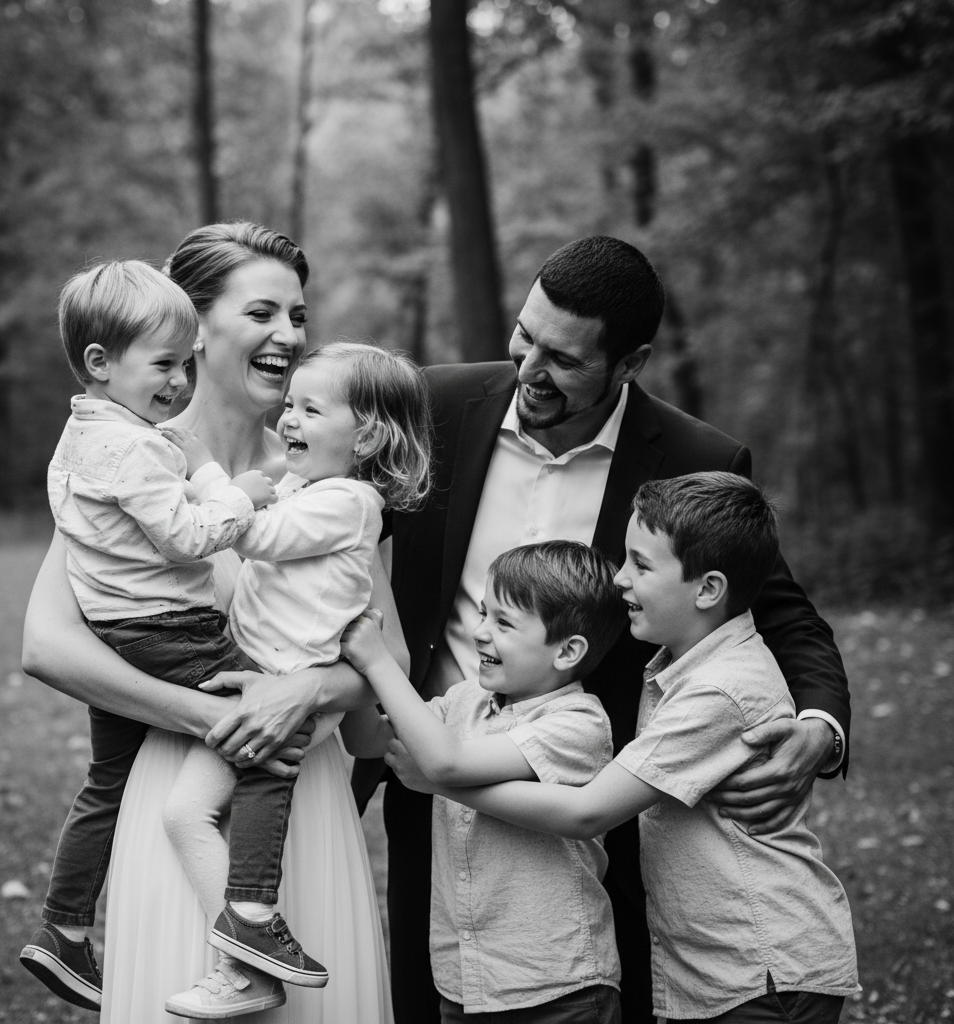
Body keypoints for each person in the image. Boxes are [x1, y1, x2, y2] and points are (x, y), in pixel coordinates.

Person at [351, 236, 852, 1024]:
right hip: (432, 774)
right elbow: (327, 523)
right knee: (433, 996)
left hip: (596, 785)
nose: (528, 368)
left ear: (629, 363)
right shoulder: (435, 405)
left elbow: (782, 612)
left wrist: (821, 727)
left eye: (562, 359)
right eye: (525, 336)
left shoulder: (693, 456)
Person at [22, 222, 397, 1024]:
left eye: (298, 316)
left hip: (302, 798)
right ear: (192, 326)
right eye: (262, 313)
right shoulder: (126, 465)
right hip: (177, 794)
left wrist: (305, 691)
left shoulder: (324, 477)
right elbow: (47, 645)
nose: (288, 335)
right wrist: (217, 717)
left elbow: (378, 684)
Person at [402, 473, 860, 1024]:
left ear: (707, 590)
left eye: (640, 565)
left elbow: (587, 811)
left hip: (764, 966)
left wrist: (445, 779)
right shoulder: (678, 665)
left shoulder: (719, 689)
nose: (620, 578)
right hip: (721, 973)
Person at [19, 259, 292, 1015]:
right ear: (101, 362)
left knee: (105, 781)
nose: (179, 380)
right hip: (172, 628)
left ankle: (64, 927)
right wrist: (240, 494)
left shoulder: (83, 434)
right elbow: (186, 538)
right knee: (269, 734)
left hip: (116, 632)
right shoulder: (136, 446)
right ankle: (250, 920)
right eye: (165, 364)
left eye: (184, 363)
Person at [162, 341, 431, 1016]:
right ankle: (251, 953)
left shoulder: (351, 501)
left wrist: (208, 473)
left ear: (365, 436)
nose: (289, 419)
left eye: (311, 409)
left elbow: (255, 537)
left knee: (230, 810)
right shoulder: (308, 489)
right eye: (290, 405)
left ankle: (252, 942)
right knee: (189, 814)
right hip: (262, 674)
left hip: (287, 684)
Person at [340, 541, 622, 1024]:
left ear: (568, 651)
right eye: (484, 613)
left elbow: (445, 764)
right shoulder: (463, 700)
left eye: (504, 623)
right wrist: (343, 657)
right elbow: (366, 739)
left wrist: (379, 662)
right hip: (465, 983)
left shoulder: (578, 724)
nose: (479, 632)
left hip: (556, 988)